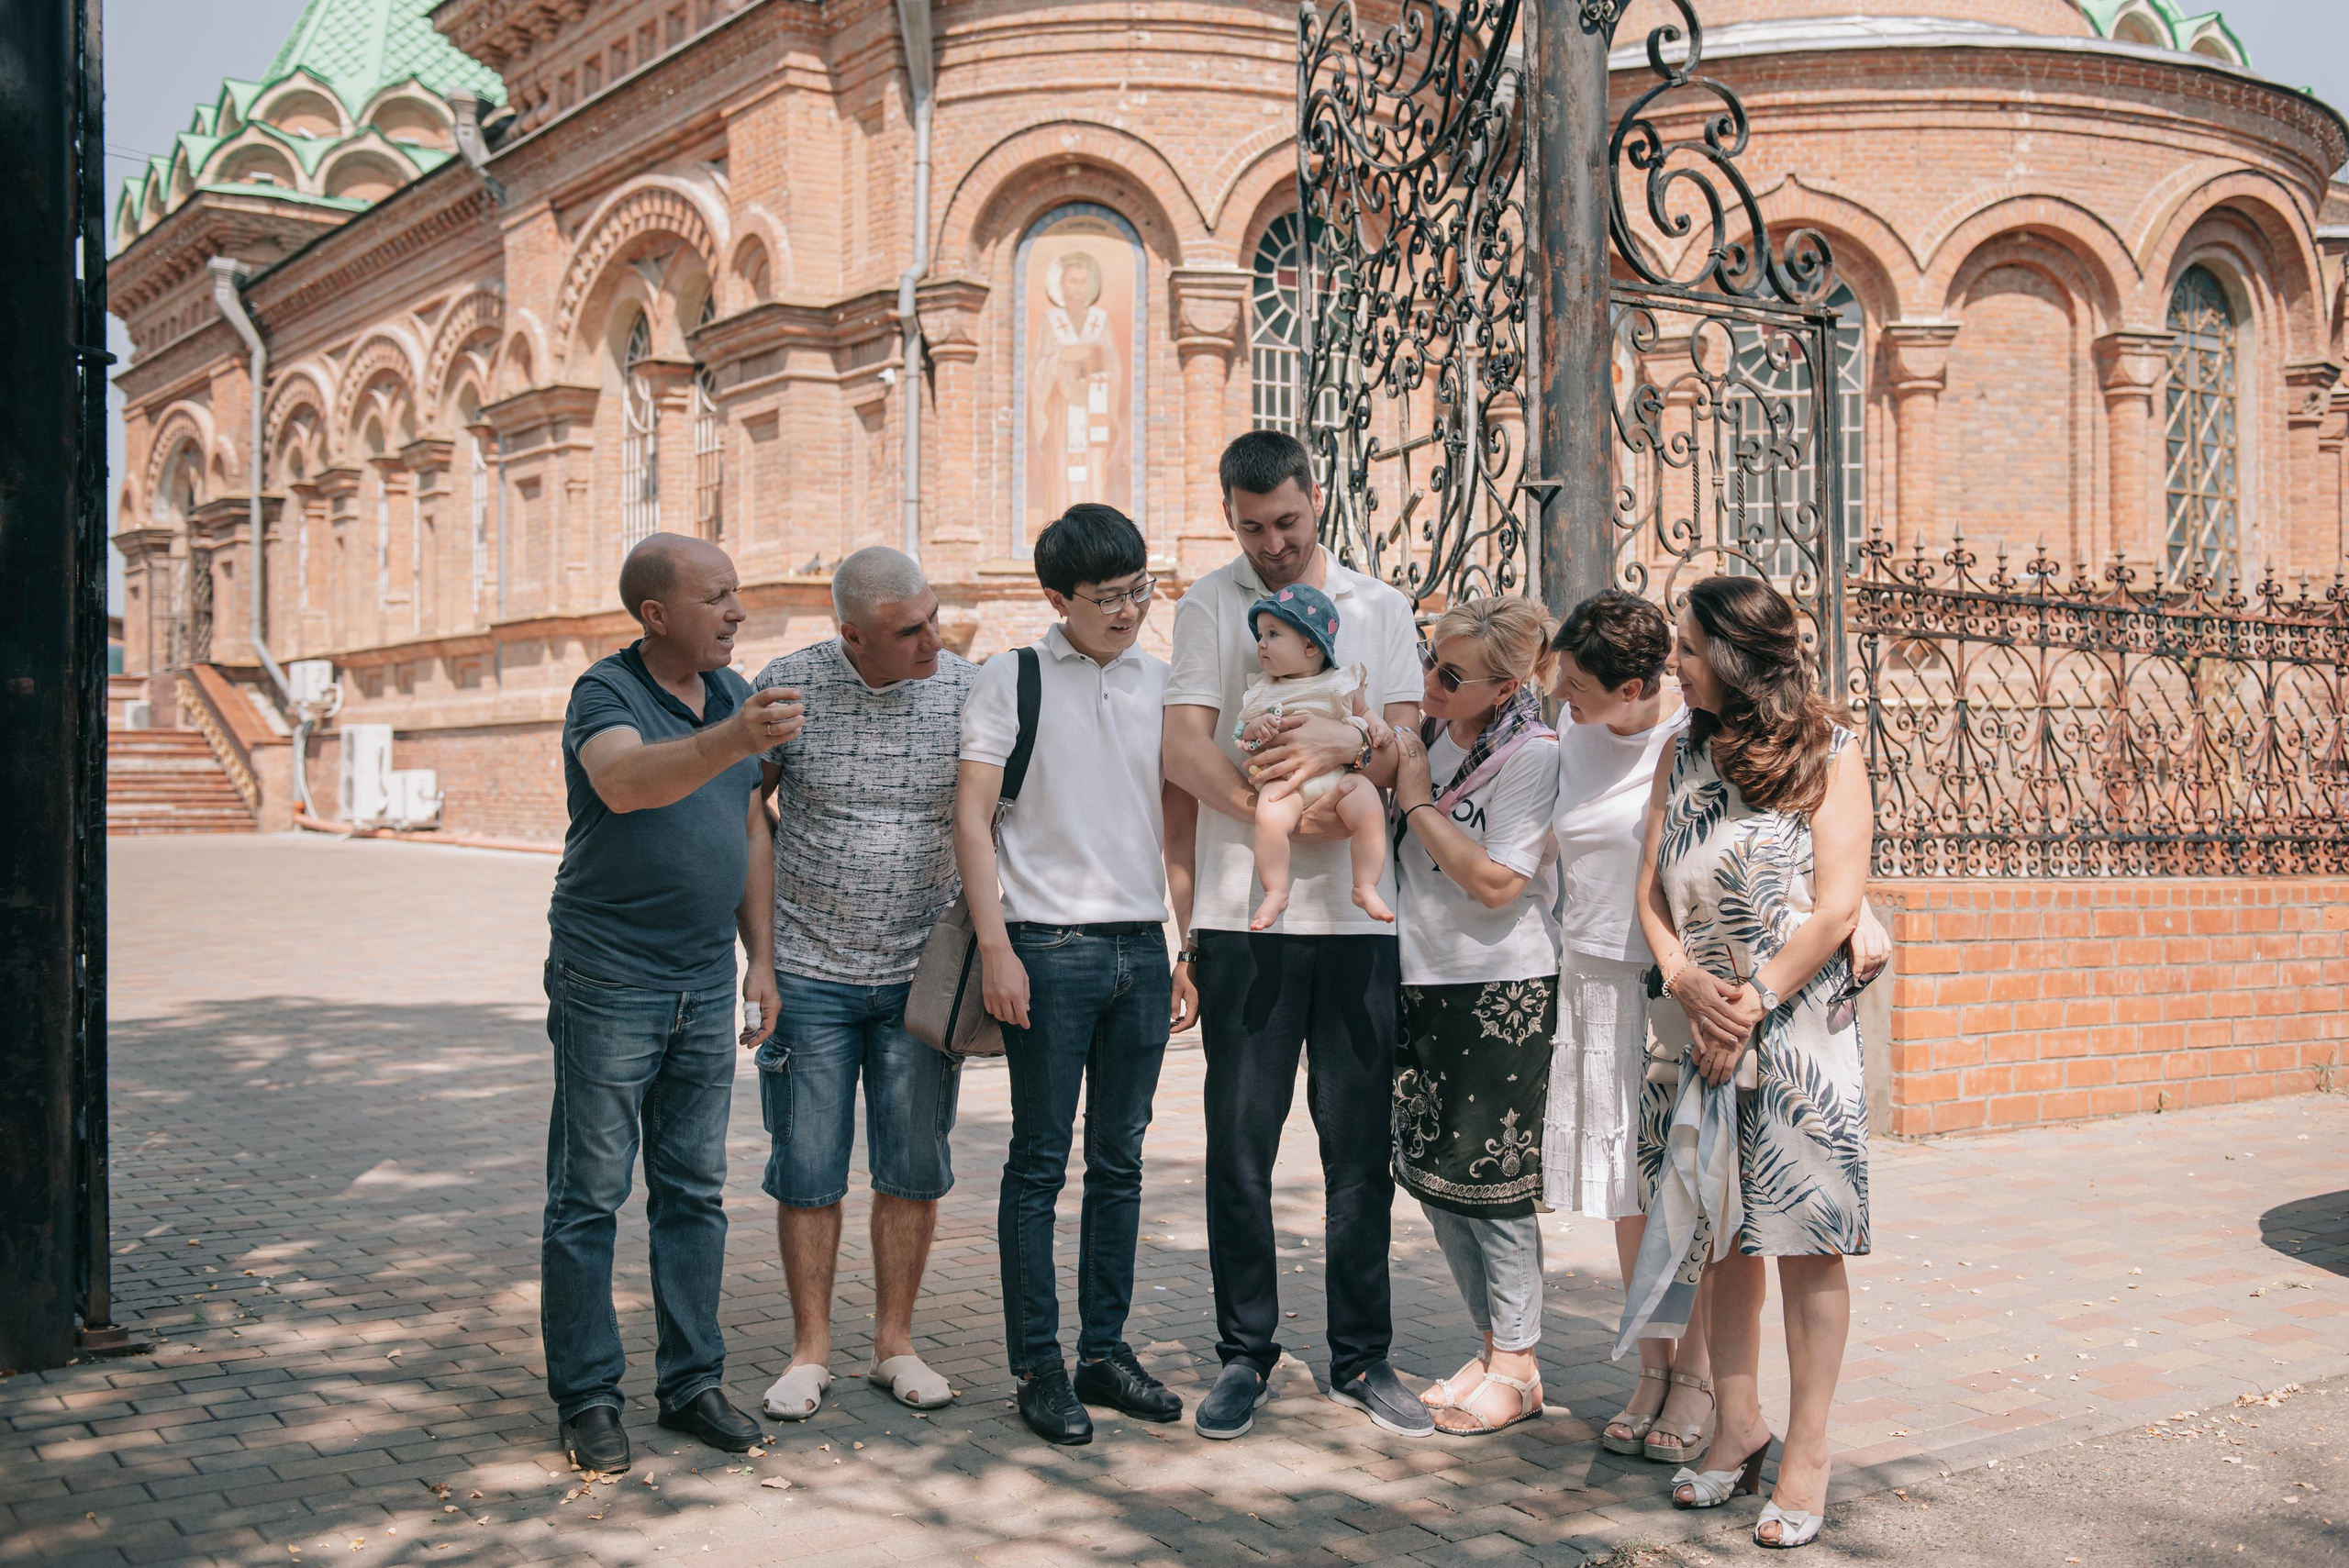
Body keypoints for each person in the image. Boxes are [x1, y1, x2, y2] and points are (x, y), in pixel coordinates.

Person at [1162, 428, 1431, 1440]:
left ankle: (1363, 1354)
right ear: (1228, 513)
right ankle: (1244, 1351)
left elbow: (1405, 737)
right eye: (1251, 526)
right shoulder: (1204, 604)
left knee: (1356, 1151)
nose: (1271, 543)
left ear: (1316, 498)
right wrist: (1267, 802)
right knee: (1239, 1146)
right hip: (1246, 915)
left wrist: (1355, 749)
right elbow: (1181, 741)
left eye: (1287, 522)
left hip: (1359, 925)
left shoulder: (1379, 607)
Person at [540, 532, 803, 1474]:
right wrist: (735, 739)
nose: (737, 612)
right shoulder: (605, 694)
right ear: (656, 615)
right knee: (589, 1197)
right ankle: (588, 1396)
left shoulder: (731, 695)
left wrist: (760, 958)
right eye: (715, 596)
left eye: (737, 593)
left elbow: (747, 826)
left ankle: (692, 1381)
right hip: (608, 977)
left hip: (701, 979)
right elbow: (621, 780)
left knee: (694, 1192)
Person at [1627, 575, 1876, 1551]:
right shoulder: (1676, 746)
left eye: (1685, 648)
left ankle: (1805, 1450)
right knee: (1721, 1237)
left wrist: (1753, 998)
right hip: (1700, 1028)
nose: (1671, 664)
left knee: (1807, 1242)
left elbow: (1836, 905)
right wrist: (1685, 979)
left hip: (1797, 1028)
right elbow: (1646, 886)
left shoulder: (1830, 750)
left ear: (1732, 655)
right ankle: (1736, 1422)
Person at [953, 504, 1197, 1446]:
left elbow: (1176, 822)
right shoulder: (1009, 678)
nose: (1130, 609)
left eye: (1140, 588)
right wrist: (997, 945)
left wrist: (1188, 944)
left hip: (1140, 949)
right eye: (1107, 597)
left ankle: (1104, 1351)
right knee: (1038, 1161)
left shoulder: (1163, 681)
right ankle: (1037, 1365)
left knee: (1122, 1159)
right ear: (1055, 599)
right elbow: (972, 819)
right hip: (1044, 949)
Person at [748, 546, 977, 1423]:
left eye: (932, 617)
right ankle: (809, 1353)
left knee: (913, 1164)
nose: (932, 639)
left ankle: (895, 1345)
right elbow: (747, 816)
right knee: (806, 1167)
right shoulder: (787, 688)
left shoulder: (966, 689)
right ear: (851, 635)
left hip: (922, 978)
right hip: (810, 973)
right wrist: (760, 958)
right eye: (908, 630)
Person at [1543, 591, 1711, 1463]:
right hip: (1592, 979)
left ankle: (1700, 1377)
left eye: (1578, 683)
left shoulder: (1690, 740)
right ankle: (1651, 1368)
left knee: (1690, 1191)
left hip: (1667, 985)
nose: (1563, 695)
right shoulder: (1573, 735)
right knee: (1625, 1190)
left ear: (1638, 684)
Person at [1386, 597, 1561, 1437]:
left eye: (1451, 676)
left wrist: (1418, 805)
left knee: (1492, 1184)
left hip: (1501, 986)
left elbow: (1497, 883)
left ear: (1507, 685)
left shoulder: (1532, 755)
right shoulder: (1426, 736)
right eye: (1430, 661)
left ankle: (1521, 1365)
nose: (1430, 682)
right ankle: (1492, 1343)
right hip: (1421, 979)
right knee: (1433, 1177)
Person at [1232, 581, 1395, 929]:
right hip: (1286, 783)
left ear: (1310, 645)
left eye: (1273, 634)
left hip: (1341, 779)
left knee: (1370, 809)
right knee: (1270, 818)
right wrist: (1256, 728)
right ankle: (1275, 890)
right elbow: (1242, 733)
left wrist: (1376, 725)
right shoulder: (1262, 690)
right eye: (1260, 635)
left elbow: (1364, 712)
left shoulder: (1341, 682)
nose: (1261, 644)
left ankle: (1365, 884)